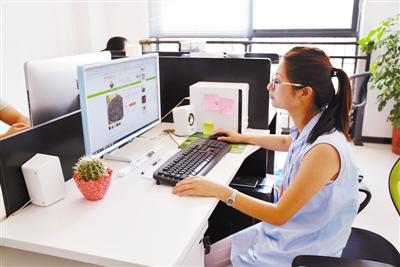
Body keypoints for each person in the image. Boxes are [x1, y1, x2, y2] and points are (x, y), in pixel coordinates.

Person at [172, 46, 359, 266]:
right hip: (286, 232)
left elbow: (278, 215)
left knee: (197, 261)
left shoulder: (324, 150)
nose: (269, 86)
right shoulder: (313, 127)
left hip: (302, 249)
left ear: (304, 93)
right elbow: (286, 142)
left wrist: (219, 190)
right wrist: (243, 137)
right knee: (202, 260)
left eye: (277, 81)